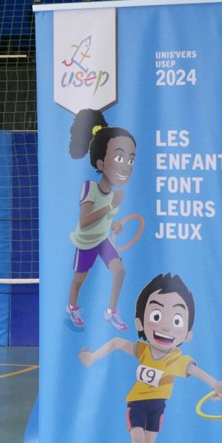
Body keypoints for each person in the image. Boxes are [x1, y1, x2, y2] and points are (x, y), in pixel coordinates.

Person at [79, 273, 222, 443]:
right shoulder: (143, 350)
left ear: (188, 334)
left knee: (149, 441)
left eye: (177, 320)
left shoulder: (176, 359)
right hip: (136, 401)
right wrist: (92, 358)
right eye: (156, 315)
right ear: (140, 322)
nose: (166, 326)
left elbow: (194, 371)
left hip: (158, 405)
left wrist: (215, 384)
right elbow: (117, 342)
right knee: (138, 437)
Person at [66, 108, 137, 331]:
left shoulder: (115, 194)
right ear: (100, 164)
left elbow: (106, 218)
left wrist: (114, 223)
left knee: (119, 270)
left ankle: (111, 312)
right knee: (79, 280)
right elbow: (85, 220)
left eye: (130, 159)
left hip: (102, 239)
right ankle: (72, 307)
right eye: (118, 158)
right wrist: (110, 207)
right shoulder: (90, 187)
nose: (125, 165)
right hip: (86, 241)